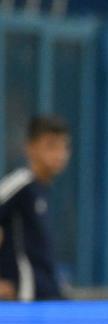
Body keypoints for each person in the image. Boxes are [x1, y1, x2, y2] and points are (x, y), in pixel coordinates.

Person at [0, 116, 71, 301]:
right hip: (25, 300)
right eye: (51, 146)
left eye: (64, 146)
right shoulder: (20, 184)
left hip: (48, 295)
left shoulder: (44, 190)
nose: (59, 154)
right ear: (30, 147)